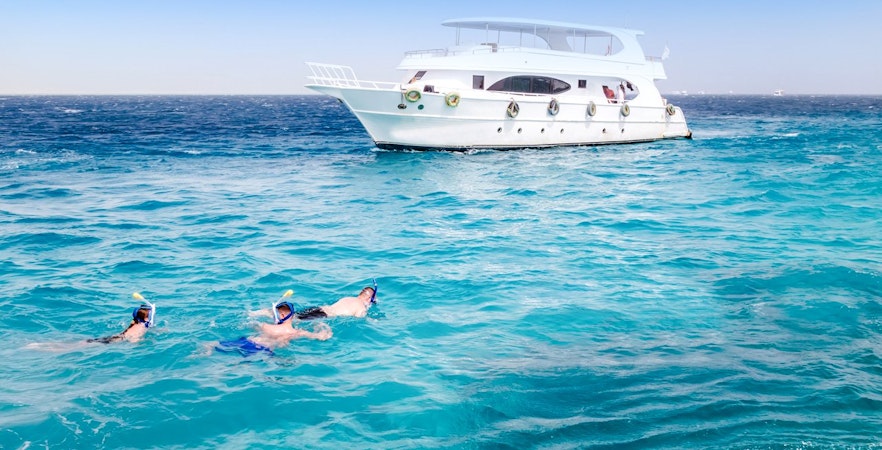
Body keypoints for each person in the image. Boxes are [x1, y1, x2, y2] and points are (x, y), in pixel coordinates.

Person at [216, 301, 332, 356]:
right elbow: (323, 337)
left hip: (248, 342)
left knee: (212, 344)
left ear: (281, 316)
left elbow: (251, 325)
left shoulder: (266, 327)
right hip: (264, 350)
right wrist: (323, 326)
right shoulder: (297, 332)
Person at [87, 293, 155, 344]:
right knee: (94, 343)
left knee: (91, 342)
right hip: (116, 340)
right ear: (145, 318)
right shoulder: (141, 326)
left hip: (117, 337)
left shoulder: (136, 323)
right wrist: (141, 341)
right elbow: (133, 340)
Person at [293, 280, 378, 320]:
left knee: (293, 317)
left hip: (320, 308)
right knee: (296, 322)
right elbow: (359, 319)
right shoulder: (361, 307)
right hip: (324, 315)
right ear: (368, 299)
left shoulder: (348, 298)